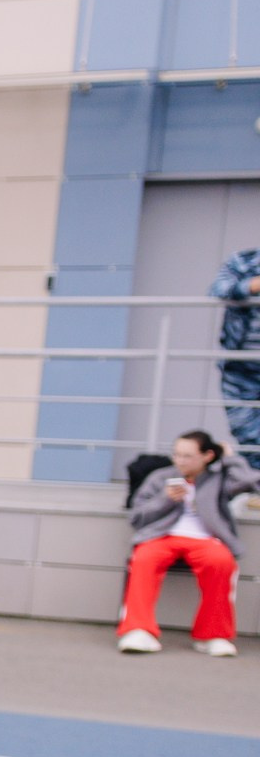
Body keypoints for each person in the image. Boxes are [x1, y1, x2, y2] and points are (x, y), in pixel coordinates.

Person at [118, 429, 255, 656]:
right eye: (176, 454)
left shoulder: (219, 479)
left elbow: (252, 483)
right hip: (161, 536)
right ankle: (138, 630)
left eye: (187, 456)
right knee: (143, 559)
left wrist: (231, 459)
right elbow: (137, 517)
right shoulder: (160, 477)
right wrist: (165, 499)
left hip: (206, 538)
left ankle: (213, 635)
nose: (179, 460)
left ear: (207, 456)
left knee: (221, 562)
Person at [211, 248, 260, 455]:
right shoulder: (244, 260)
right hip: (240, 368)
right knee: (245, 430)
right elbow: (218, 289)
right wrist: (252, 286)